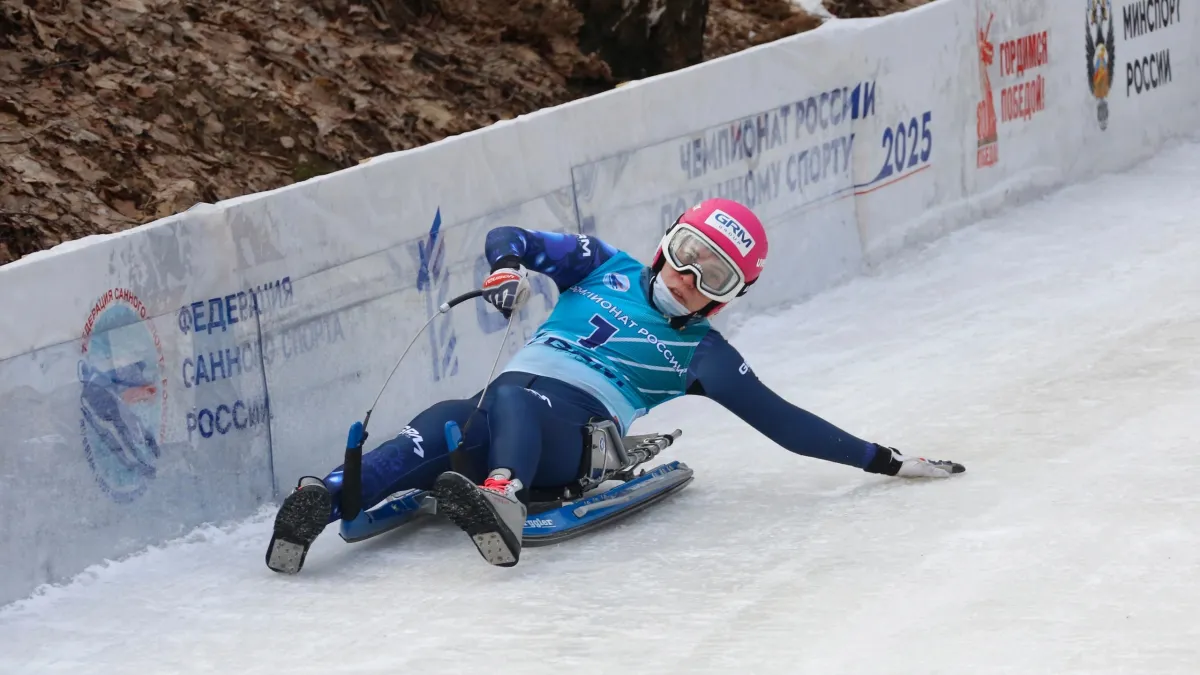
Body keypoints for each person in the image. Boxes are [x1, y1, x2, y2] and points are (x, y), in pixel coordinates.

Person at [266, 198, 964, 572]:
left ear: (725, 298)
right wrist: (507, 268)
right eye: (690, 256)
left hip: (573, 442)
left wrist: (886, 458)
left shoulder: (705, 354)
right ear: (668, 242)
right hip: (503, 411)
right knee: (449, 416)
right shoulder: (603, 265)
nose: (688, 280)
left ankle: (503, 498)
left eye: (711, 278)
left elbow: (788, 424)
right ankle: (324, 501)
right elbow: (515, 236)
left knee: (511, 397)